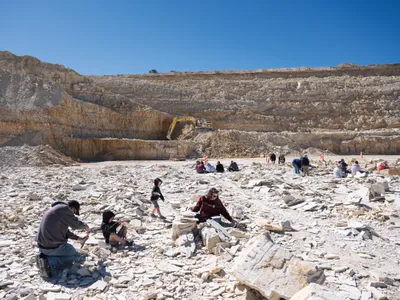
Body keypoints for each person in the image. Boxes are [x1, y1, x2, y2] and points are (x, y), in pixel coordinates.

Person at [35, 200, 89, 278]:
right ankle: (48, 262)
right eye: (74, 212)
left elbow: (65, 232)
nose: (72, 214)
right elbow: (75, 224)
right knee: (75, 256)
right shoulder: (65, 208)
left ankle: (44, 257)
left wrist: (78, 238)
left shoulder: (56, 210)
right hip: (52, 247)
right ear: (73, 209)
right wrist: (85, 226)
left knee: (69, 252)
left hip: (42, 246)